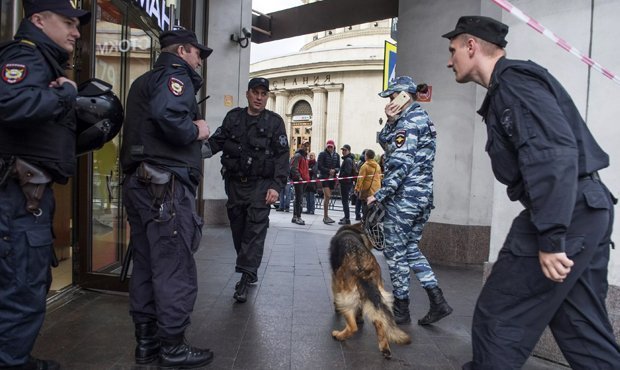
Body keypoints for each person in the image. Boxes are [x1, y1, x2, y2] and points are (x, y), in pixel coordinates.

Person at [443, 16, 620, 369]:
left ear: (471, 46)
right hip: (587, 207)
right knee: (580, 328)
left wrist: (552, 238)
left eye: (453, 50)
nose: (450, 61)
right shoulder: (511, 88)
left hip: (567, 212)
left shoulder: (513, 85)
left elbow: (552, 154)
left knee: (499, 317)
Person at [0, 1, 90, 369]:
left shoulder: (42, 61)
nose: (76, 31)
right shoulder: (26, 57)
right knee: (21, 287)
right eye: (67, 22)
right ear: (38, 20)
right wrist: (66, 94)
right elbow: (12, 103)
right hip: (17, 197)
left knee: (22, 283)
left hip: (26, 194)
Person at [120, 28, 213, 368]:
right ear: (183, 51)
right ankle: (172, 347)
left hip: (141, 185)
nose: (200, 59)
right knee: (173, 267)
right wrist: (196, 130)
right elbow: (168, 116)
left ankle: (146, 345)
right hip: (165, 190)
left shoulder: (143, 82)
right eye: (197, 53)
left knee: (145, 267)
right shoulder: (176, 77)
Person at [367, 76, 452, 326]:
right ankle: (438, 301)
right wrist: (391, 121)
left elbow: (400, 164)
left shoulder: (410, 123)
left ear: (404, 95)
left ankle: (401, 310)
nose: (390, 101)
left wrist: (378, 196)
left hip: (405, 197)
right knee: (411, 249)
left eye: (393, 96)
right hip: (422, 197)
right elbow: (385, 143)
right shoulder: (415, 118)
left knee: (395, 253)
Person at [204, 77, 289, 303]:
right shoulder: (233, 118)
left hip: (261, 186)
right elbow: (216, 142)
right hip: (235, 185)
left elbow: (282, 156)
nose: (259, 97)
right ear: (248, 94)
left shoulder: (274, 122)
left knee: (254, 231)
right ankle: (249, 268)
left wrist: (276, 186)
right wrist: (191, 152)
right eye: (256, 93)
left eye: (264, 94)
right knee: (239, 231)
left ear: (267, 97)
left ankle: (244, 278)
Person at [354, 149, 382, 219]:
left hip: (367, 190)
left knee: (365, 208)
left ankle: (365, 222)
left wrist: (357, 188)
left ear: (366, 156)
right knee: (373, 208)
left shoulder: (365, 166)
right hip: (376, 190)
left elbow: (360, 179)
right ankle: (372, 221)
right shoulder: (377, 166)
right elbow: (380, 177)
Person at [317, 139, 340, 224]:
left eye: (331, 147)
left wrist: (335, 170)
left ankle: (326, 216)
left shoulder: (336, 155)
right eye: (328, 147)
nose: (330, 148)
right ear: (326, 147)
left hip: (332, 178)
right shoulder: (322, 154)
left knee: (327, 198)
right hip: (325, 177)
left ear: (334, 147)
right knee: (328, 195)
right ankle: (325, 216)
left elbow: (338, 166)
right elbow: (319, 166)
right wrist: (328, 171)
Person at [290, 141, 310, 225]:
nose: (306, 147)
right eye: (305, 145)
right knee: (299, 199)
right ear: (301, 146)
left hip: (304, 181)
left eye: (307, 146)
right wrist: (299, 177)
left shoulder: (304, 156)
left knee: (298, 199)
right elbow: (293, 167)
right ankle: (298, 217)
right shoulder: (298, 156)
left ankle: (295, 216)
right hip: (299, 181)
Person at [338, 144, 355, 225]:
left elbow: (347, 172)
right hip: (346, 182)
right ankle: (346, 216)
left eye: (345, 150)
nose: (343, 152)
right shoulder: (348, 159)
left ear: (349, 151)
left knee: (345, 201)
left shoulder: (348, 160)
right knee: (344, 201)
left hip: (346, 183)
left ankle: (347, 219)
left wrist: (340, 176)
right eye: (342, 150)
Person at [353, 149, 367, 221]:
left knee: (358, 201)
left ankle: (357, 215)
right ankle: (361, 216)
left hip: (358, 183)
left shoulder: (359, 162)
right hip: (363, 184)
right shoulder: (365, 163)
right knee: (362, 201)